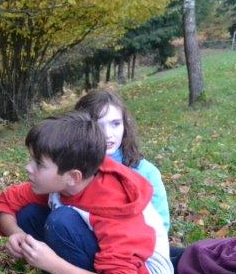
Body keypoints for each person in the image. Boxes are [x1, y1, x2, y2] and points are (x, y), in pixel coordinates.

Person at [0, 111, 173, 274]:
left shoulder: (113, 206)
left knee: (61, 221)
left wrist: (53, 264)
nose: (29, 168)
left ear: (73, 177)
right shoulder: (71, 181)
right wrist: (16, 233)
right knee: (29, 215)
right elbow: (5, 202)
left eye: (39, 164)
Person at [73, 89, 170, 232]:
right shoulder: (72, 169)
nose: (108, 134)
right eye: (98, 126)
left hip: (133, 242)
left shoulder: (146, 172)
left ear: (125, 125)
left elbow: (161, 226)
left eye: (115, 124)